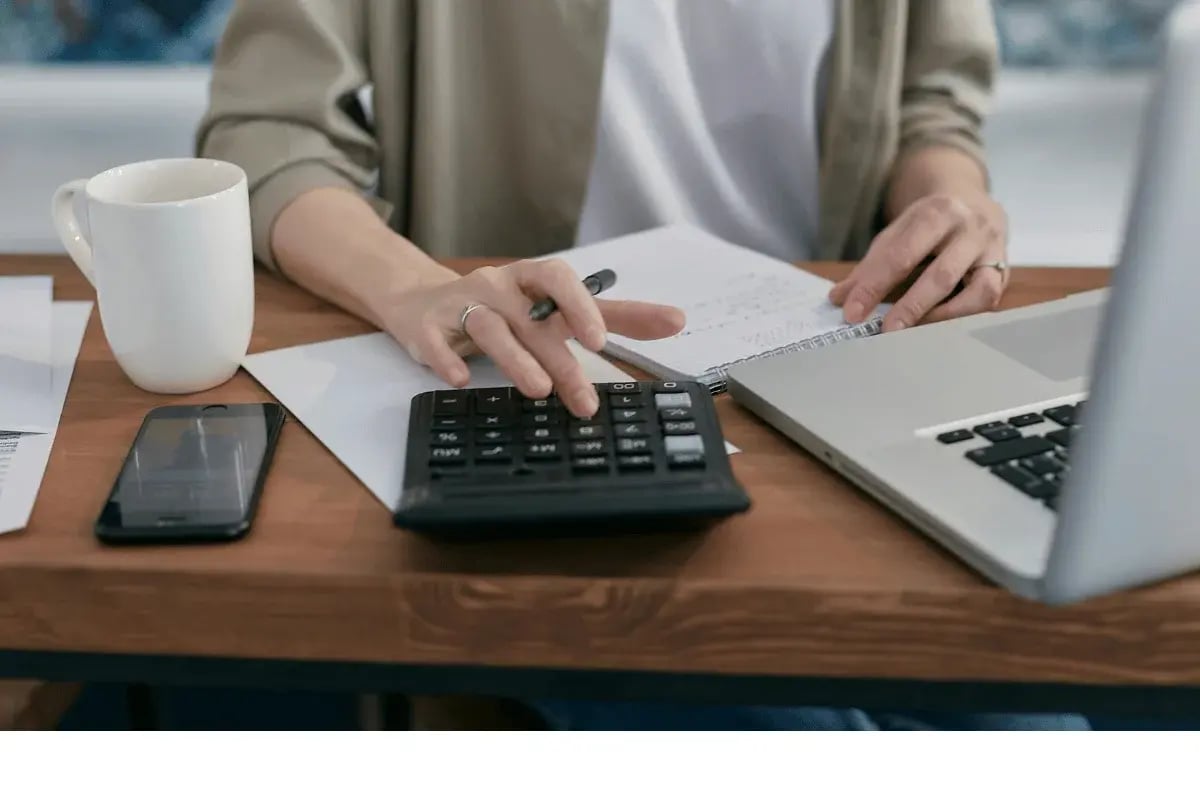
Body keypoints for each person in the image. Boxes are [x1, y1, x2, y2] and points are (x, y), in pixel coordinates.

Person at [197, 0, 1082, 731]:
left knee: (1035, 720)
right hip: (542, 380)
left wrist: (953, 202)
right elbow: (267, 130)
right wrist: (416, 286)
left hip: (826, 361)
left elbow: (933, 103)